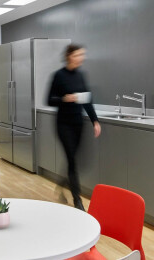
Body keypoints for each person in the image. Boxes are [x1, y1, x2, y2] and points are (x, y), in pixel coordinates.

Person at [47, 44, 101, 211]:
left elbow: (87, 100)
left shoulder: (80, 76)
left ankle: (62, 183)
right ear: (69, 56)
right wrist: (65, 99)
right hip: (63, 124)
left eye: (82, 55)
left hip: (78, 124)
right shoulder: (58, 75)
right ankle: (78, 200)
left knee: (72, 160)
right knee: (72, 159)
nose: (81, 58)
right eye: (78, 55)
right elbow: (49, 100)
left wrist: (95, 121)